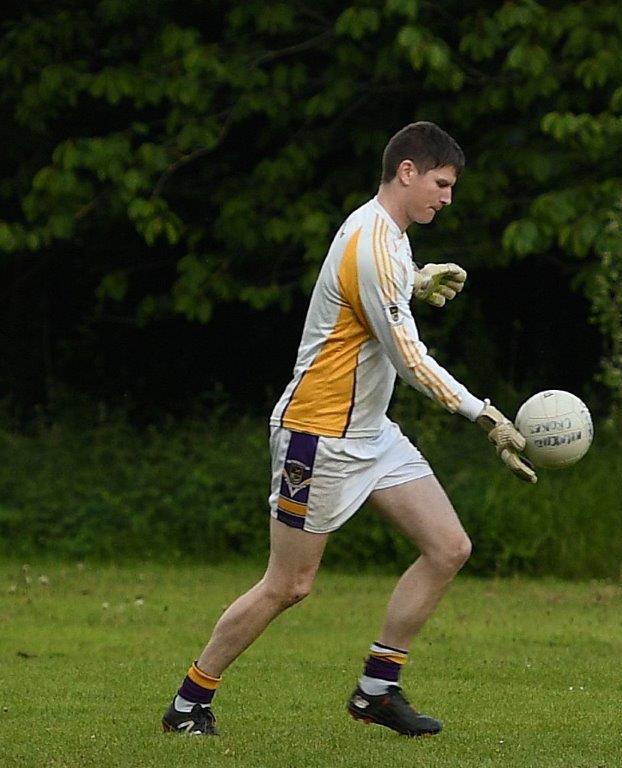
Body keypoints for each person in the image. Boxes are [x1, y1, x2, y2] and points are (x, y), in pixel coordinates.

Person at [161, 121, 536, 737]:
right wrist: (484, 413)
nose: (447, 198)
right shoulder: (372, 238)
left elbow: (375, 295)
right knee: (289, 585)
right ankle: (188, 702)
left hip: (370, 432)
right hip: (318, 435)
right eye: (441, 184)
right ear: (408, 172)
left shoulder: (388, 235)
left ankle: (376, 690)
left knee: (449, 548)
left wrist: (414, 284)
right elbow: (409, 359)